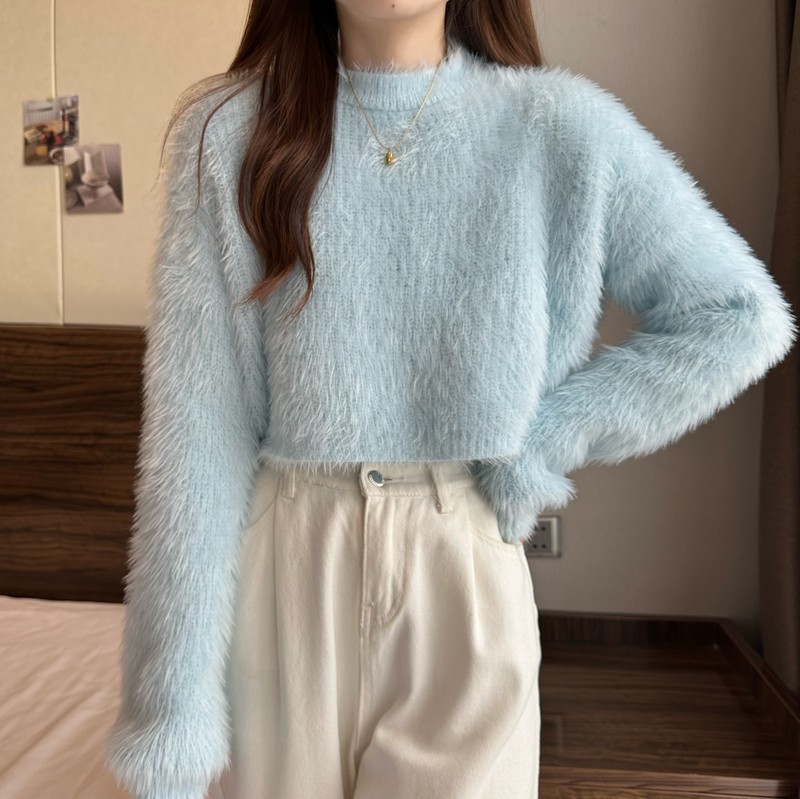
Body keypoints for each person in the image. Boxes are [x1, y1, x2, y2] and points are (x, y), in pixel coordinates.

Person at [104, 1, 798, 798]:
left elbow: (739, 317)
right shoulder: (231, 132)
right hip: (281, 579)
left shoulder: (558, 128)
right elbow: (196, 435)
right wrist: (169, 705)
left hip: (462, 575)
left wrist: (548, 437)